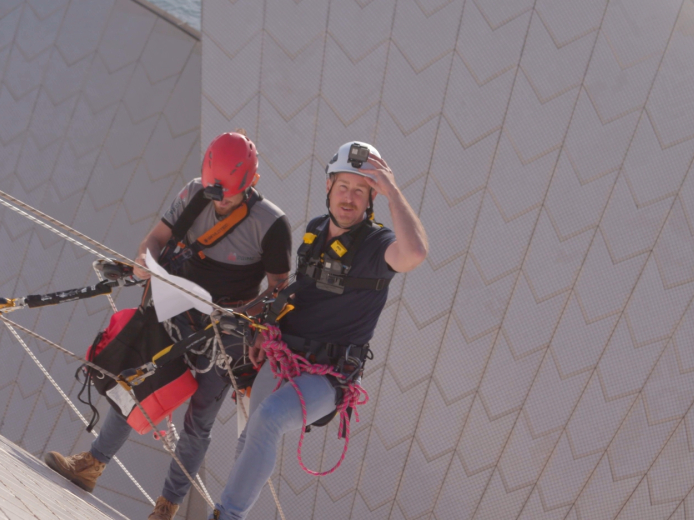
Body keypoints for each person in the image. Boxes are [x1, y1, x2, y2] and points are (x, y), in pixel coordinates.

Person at [44, 131, 292, 520]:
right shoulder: (194, 193)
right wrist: (147, 263)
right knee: (135, 385)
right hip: (176, 313)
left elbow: (279, 289)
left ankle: (166, 507)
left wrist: (244, 313)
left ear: (252, 182)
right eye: (214, 192)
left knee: (198, 423)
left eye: (229, 196)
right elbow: (156, 239)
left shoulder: (271, 224)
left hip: (224, 332)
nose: (220, 201)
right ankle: (92, 464)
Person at [209, 141, 428, 520]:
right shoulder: (315, 230)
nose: (349, 198)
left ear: (372, 198)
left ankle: (226, 515)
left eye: (360, 190)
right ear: (329, 186)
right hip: (283, 356)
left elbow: (414, 254)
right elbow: (301, 292)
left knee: (269, 418)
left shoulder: (377, 245)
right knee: (251, 432)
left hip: (328, 377)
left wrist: (393, 192)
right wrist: (265, 328)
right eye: (343, 186)